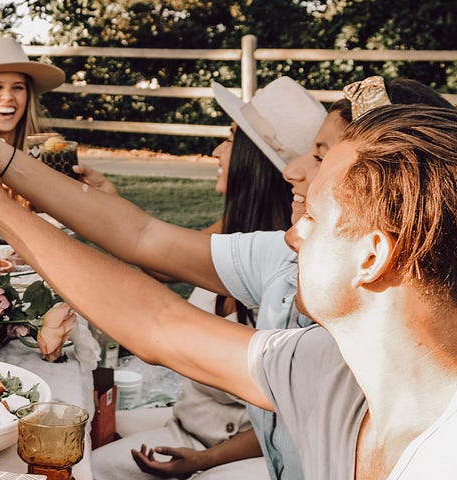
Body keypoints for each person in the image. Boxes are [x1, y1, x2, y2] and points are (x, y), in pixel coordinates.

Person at [0, 104, 457, 478]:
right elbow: (154, 320)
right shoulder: (331, 369)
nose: (292, 234)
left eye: (312, 215)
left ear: (373, 256)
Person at [92, 78, 316, 480]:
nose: (216, 150)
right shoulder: (232, 231)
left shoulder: (294, 270)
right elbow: (160, 258)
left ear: (255, 163)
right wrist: (107, 202)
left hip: (240, 455)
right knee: (81, 448)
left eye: (229, 139)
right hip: (187, 428)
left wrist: (203, 463)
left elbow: (288, 417)